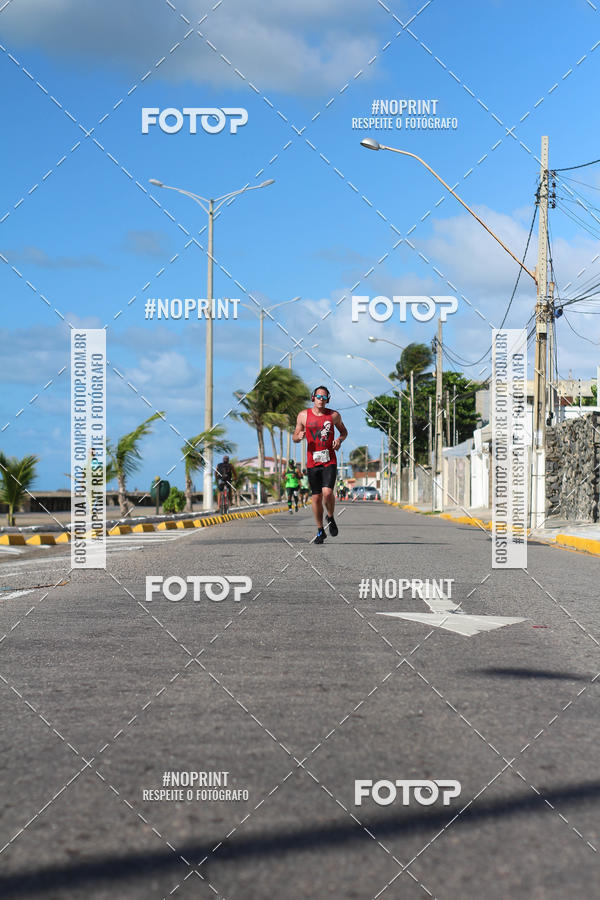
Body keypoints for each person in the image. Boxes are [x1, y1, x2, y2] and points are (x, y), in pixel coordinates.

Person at [293, 386, 348, 544]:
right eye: (318, 396)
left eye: (324, 397)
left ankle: (330, 517)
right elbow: (294, 437)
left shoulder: (334, 416)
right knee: (316, 498)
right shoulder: (303, 415)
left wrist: (339, 440)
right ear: (313, 398)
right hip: (312, 462)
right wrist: (299, 436)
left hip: (329, 460)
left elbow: (344, 432)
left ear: (328, 399)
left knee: (328, 492)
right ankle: (319, 530)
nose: (321, 399)